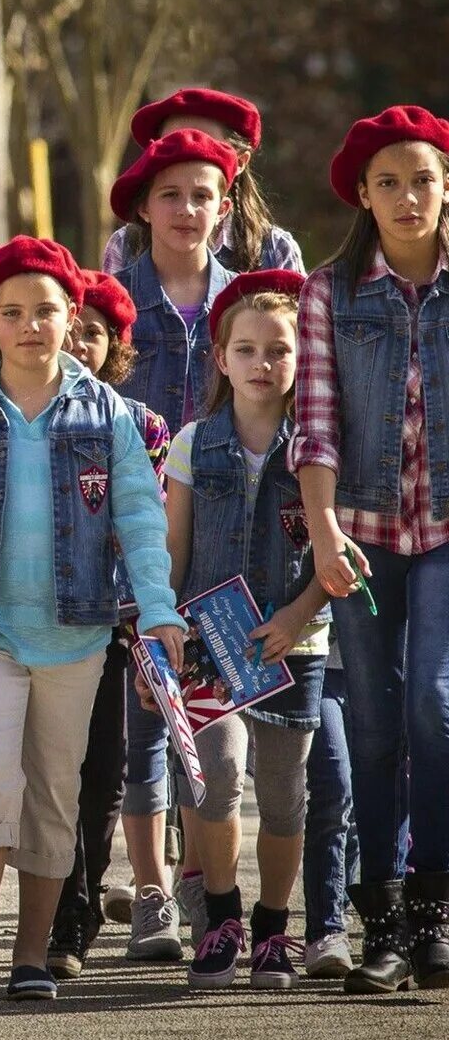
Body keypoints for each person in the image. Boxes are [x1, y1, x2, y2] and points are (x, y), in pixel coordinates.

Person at [0, 237, 186, 1002]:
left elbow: (141, 521)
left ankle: (31, 955)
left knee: (55, 789)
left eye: (45, 311)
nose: (29, 325)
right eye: (11, 312)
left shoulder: (107, 413)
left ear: (71, 315)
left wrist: (157, 611)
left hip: (77, 632)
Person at [291, 105, 449, 994]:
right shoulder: (330, 291)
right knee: (377, 721)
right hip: (359, 530)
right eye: (387, 181)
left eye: (422, 177)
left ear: (446, 185)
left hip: (446, 533)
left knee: (434, 701)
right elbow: (315, 428)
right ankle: (383, 922)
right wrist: (323, 533)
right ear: (363, 193)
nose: (406, 195)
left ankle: (437, 909)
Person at [161, 269, 325, 989]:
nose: (264, 364)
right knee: (217, 777)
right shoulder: (196, 443)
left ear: (302, 358)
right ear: (220, 357)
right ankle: (220, 916)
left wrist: (298, 615)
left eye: (280, 351)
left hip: (296, 643)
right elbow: (174, 549)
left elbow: (335, 552)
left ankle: (271, 927)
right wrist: (159, 638)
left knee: (286, 793)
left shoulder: (318, 447)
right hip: (208, 642)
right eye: (248, 349)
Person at [48, 269, 176, 976]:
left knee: (104, 773)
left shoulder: (143, 426)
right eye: (71, 327)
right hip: (45, 624)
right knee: (55, 772)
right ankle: (61, 911)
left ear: (115, 346)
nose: (78, 342)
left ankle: (89, 894)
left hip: (117, 628)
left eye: (93, 333)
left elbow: (147, 525)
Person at [102, 87, 304, 276]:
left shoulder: (275, 251)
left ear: (241, 161)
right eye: (171, 145)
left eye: (205, 148)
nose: (186, 154)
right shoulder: (125, 246)